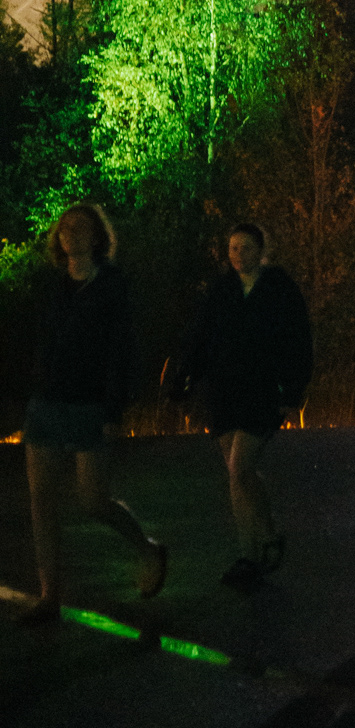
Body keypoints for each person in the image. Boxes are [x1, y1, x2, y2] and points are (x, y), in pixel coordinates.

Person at [18, 202, 166, 625]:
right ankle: (49, 596)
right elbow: (37, 339)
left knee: (92, 500)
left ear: (97, 236)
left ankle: (147, 548)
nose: (71, 234)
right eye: (65, 228)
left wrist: (113, 409)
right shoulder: (52, 286)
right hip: (47, 401)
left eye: (80, 228)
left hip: (89, 404)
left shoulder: (112, 286)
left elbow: (121, 350)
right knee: (41, 499)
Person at [168, 221, 314, 592]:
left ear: (262, 251)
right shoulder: (221, 289)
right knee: (238, 473)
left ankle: (253, 551)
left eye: (246, 247)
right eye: (233, 248)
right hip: (224, 392)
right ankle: (260, 542)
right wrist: (184, 375)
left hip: (261, 392)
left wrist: (291, 392)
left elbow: (298, 340)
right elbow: (201, 335)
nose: (238, 255)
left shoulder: (279, 289)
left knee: (240, 466)